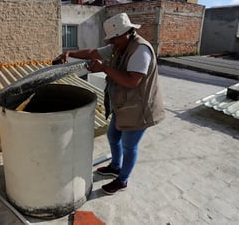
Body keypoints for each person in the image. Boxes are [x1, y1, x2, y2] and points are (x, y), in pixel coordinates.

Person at [54, 12, 165, 195]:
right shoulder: (119, 47)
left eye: (114, 38)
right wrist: (69, 53)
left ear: (126, 33)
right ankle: (115, 166)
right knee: (113, 135)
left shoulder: (140, 50)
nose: (110, 42)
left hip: (139, 109)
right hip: (124, 105)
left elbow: (132, 81)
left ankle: (122, 180)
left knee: (130, 146)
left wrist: (104, 67)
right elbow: (93, 53)